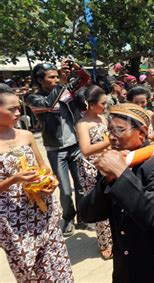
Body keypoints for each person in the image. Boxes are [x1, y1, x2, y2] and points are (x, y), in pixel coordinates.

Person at [78, 103, 154, 282]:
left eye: (119, 130)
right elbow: (87, 214)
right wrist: (107, 180)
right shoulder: (114, 161)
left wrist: (121, 174)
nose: (111, 137)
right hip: (128, 266)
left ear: (142, 133)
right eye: (109, 131)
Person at [0, 84, 73, 281]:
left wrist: (50, 181)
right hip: (13, 218)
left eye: (19, 107)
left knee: (56, 262)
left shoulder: (26, 135)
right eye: (12, 109)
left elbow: (44, 167)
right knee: (27, 266)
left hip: (42, 209)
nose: (18, 112)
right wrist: (14, 179)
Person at [26, 60, 90, 236]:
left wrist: (78, 68)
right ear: (40, 80)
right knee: (65, 189)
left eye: (57, 76)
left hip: (75, 145)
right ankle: (68, 217)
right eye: (51, 77)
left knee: (81, 186)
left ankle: (83, 219)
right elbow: (49, 104)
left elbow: (85, 79)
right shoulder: (33, 98)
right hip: (56, 149)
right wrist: (62, 82)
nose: (55, 79)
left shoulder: (65, 89)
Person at [75, 85, 114, 260]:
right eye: (103, 103)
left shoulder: (103, 118)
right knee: (99, 204)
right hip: (91, 169)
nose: (105, 106)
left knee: (112, 202)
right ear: (91, 104)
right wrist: (109, 141)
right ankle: (104, 243)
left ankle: (114, 237)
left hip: (108, 165)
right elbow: (86, 150)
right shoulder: (82, 124)